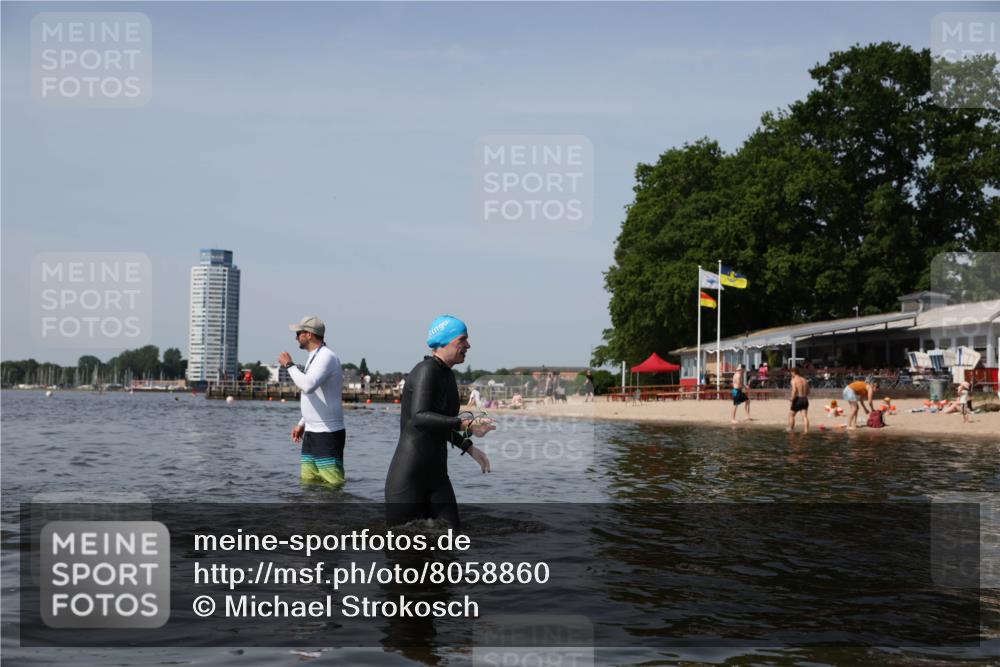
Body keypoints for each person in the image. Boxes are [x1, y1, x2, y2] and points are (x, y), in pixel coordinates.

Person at [385, 315, 494, 529]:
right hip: (409, 477)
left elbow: (441, 425)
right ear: (445, 341)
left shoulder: (448, 376)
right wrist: (465, 425)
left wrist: (470, 448)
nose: (468, 345)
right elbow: (419, 417)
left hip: (437, 476)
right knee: (403, 548)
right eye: (462, 339)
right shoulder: (426, 370)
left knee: (453, 537)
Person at [278, 316, 346, 486]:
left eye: (298, 333)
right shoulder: (314, 356)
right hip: (312, 431)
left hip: (327, 433)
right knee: (309, 483)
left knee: (333, 485)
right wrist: (302, 423)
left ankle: (337, 512)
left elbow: (307, 386)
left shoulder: (326, 356)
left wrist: (289, 365)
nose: (296, 337)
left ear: (309, 334)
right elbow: (315, 394)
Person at [788, 367, 810, 433]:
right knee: (804, 416)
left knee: (791, 415)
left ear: (793, 372)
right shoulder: (804, 379)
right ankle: (806, 431)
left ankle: (791, 430)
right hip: (805, 399)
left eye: (791, 372)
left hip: (798, 399)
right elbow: (809, 391)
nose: (791, 374)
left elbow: (794, 390)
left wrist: (792, 399)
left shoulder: (793, 380)